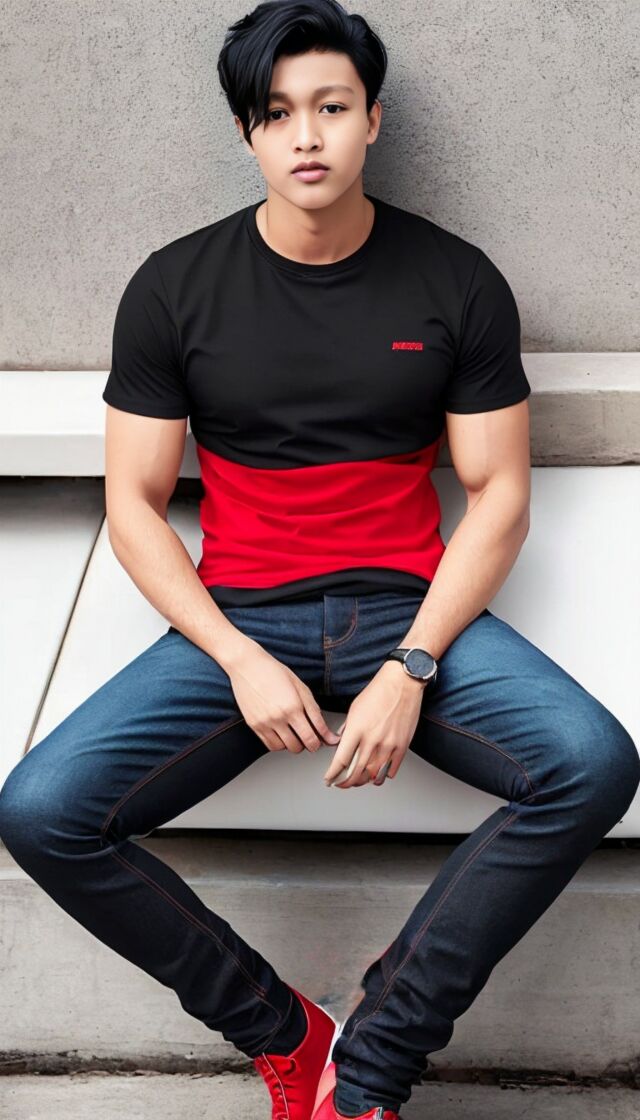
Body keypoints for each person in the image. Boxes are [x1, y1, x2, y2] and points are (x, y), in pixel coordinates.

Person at [1, 1, 638, 1118]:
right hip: (242, 620)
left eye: (331, 108)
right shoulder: (174, 286)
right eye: (277, 112)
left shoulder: (454, 280)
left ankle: (375, 1060)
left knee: (590, 761)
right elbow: (134, 506)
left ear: (372, 120)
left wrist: (415, 664)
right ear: (247, 132)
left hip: (409, 613)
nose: (306, 135)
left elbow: (499, 497)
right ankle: (284, 1032)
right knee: (41, 809)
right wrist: (237, 657)